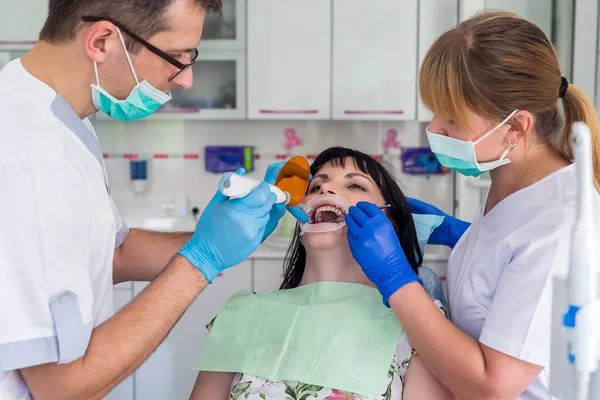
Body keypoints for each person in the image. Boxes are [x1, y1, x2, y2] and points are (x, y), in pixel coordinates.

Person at [0, 1, 305, 399]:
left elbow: (113, 255)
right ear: (103, 41)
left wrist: (229, 233)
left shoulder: (61, 117)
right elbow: (62, 387)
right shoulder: (31, 157)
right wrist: (202, 261)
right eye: (175, 57)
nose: (186, 80)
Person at [343, 11, 600, 400]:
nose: (434, 129)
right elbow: (510, 264)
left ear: (516, 129)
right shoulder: (512, 180)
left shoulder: (560, 226)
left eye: (452, 119)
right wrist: (461, 236)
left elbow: (491, 387)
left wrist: (395, 277)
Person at [188, 147, 453, 400]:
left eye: (355, 185)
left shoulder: (418, 321)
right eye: (315, 187)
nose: (325, 188)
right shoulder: (241, 314)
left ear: (390, 223)